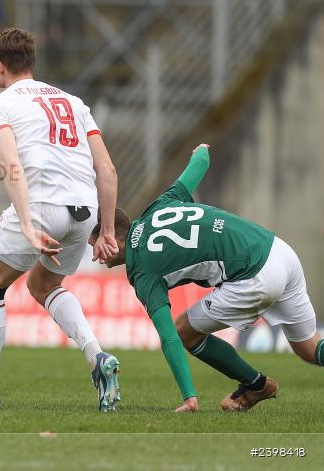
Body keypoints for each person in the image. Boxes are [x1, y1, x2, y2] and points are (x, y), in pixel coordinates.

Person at [0, 28, 121, 410]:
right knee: (44, 285)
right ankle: (98, 357)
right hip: (85, 211)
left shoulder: (0, 104)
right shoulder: (73, 101)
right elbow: (106, 168)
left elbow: (12, 165)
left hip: (43, 207)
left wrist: (26, 223)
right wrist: (106, 230)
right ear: (32, 63)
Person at [92, 144, 324, 412]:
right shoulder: (159, 205)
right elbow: (199, 163)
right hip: (279, 250)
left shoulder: (142, 269)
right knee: (309, 348)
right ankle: (254, 387)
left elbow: (169, 337)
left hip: (254, 275)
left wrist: (188, 396)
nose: (96, 255)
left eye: (94, 245)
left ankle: (255, 385)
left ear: (113, 239)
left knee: (184, 331)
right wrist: (200, 151)